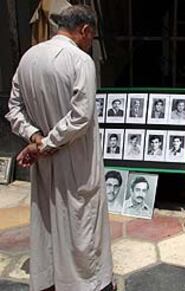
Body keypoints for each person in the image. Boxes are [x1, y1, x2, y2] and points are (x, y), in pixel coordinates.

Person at [5, 5, 113, 290]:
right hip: (76, 159)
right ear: (85, 31)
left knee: (50, 220)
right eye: (92, 37)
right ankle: (88, 284)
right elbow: (81, 116)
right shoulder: (80, 61)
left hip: (46, 158)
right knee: (81, 225)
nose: (91, 43)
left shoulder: (29, 57)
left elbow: (14, 108)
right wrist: (46, 144)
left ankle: (51, 280)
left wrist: (34, 137)